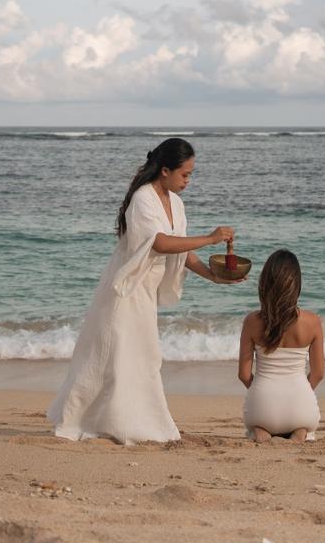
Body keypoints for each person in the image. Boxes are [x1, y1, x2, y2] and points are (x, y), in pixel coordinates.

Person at [47, 137, 243, 444]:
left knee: (143, 358)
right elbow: (161, 243)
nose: (188, 181)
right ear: (165, 170)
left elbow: (180, 249)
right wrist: (210, 237)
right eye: (185, 174)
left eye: (191, 174)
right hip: (125, 291)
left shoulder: (175, 203)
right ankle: (85, 421)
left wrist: (212, 276)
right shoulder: (142, 199)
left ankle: (127, 422)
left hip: (146, 292)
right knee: (113, 358)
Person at [238, 249, 324, 443]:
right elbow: (318, 373)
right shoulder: (312, 322)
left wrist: (262, 391)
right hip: (301, 407)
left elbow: (243, 375)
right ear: (297, 285)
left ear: (264, 284)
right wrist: (300, 393)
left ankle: (261, 431)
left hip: (261, 408)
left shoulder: (252, 321)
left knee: (257, 426)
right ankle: (301, 431)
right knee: (305, 424)